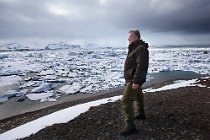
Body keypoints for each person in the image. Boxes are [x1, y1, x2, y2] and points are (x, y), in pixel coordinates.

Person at [120, 29, 149, 135]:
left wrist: (136, 81)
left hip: (133, 79)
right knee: (138, 95)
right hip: (131, 78)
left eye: (130, 36)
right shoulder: (135, 48)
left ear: (136, 37)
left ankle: (130, 125)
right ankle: (141, 113)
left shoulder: (141, 49)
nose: (128, 38)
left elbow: (142, 66)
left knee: (126, 100)